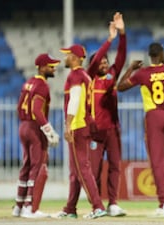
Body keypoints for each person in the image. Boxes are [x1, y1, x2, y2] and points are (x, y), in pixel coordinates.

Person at [117, 42, 164, 217]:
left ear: (149, 56)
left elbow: (120, 87)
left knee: (157, 161)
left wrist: (130, 68)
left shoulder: (144, 74)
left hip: (155, 116)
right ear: (162, 54)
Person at [55, 43, 106, 219]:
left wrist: (68, 125)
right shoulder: (84, 75)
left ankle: (98, 206)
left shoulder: (76, 75)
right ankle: (70, 208)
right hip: (83, 124)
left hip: (78, 125)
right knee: (75, 170)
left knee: (82, 168)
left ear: (75, 58)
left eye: (67, 55)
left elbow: (75, 101)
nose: (65, 58)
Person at [87, 12, 127, 217]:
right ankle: (96, 204)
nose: (104, 64)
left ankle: (113, 203)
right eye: (100, 62)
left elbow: (120, 57)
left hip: (112, 130)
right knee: (93, 170)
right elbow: (93, 65)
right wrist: (109, 39)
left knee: (114, 166)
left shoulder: (111, 77)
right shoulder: (90, 78)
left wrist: (122, 35)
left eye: (105, 61)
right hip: (95, 132)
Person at [12, 53, 61, 218]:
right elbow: (36, 110)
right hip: (34, 128)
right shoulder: (42, 85)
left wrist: (25, 123)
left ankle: (18, 206)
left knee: (26, 166)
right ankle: (29, 207)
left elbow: (19, 107)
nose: (54, 68)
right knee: (37, 166)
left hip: (23, 126)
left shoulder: (28, 83)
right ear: (41, 67)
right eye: (51, 66)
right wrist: (49, 131)